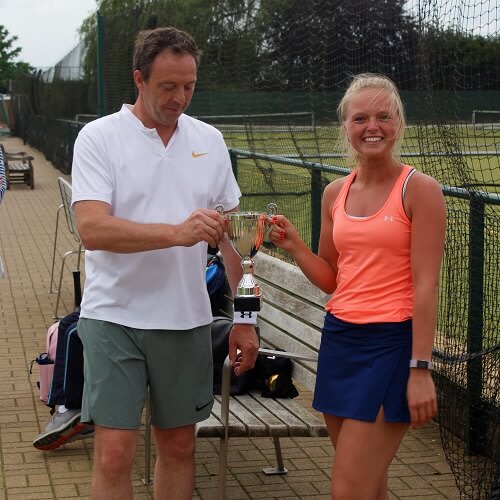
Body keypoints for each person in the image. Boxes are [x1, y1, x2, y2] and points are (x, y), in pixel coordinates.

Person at [71, 27, 259, 500]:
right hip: (114, 316)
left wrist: (244, 320)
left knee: (178, 448)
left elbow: (234, 245)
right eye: (168, 87)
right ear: (139, 78)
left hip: (186, 320)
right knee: (114, 452)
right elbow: (93, 229)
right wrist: (177, 233)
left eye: (189, 86)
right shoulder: (99, 138)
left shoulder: (210, 141)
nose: (180, 98)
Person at [268, 73, 446, 499]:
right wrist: (295, 246)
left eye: (384, 116)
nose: (373, 126)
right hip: (340, 342)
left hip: (391, 348)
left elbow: (426, 286)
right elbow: (332, 278)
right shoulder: (335, 193)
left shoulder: (419, 190)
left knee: (347, 489)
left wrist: (420, 369)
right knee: (369, 486)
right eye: (360, 117)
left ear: (398, 123)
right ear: (345, 127)